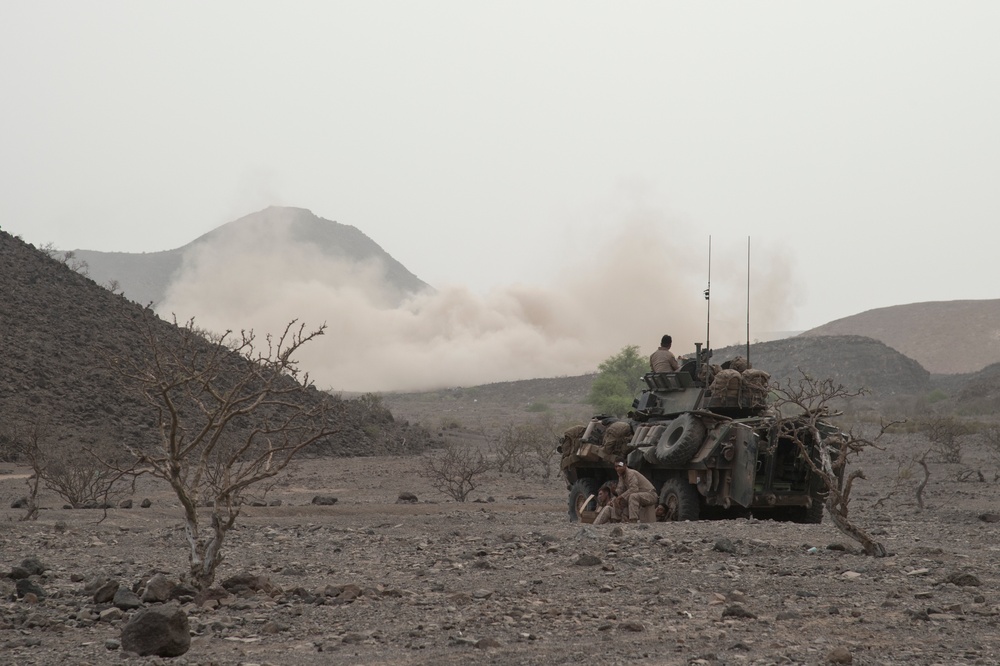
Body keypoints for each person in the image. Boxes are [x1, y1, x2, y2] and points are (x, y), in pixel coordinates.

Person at [613, 458, 658, 522]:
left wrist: (620, 497)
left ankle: (633, 520)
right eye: (616, 467)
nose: (617, 468)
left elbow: (634, 489)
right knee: (616, 500)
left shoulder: (631, 473)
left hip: (650, 494)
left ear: (625, 465)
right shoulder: (621, 475)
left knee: (633, 496)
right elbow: (620, 489)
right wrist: (616, 494)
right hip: (640, 495)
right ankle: (616, 520)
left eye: (620, 466)